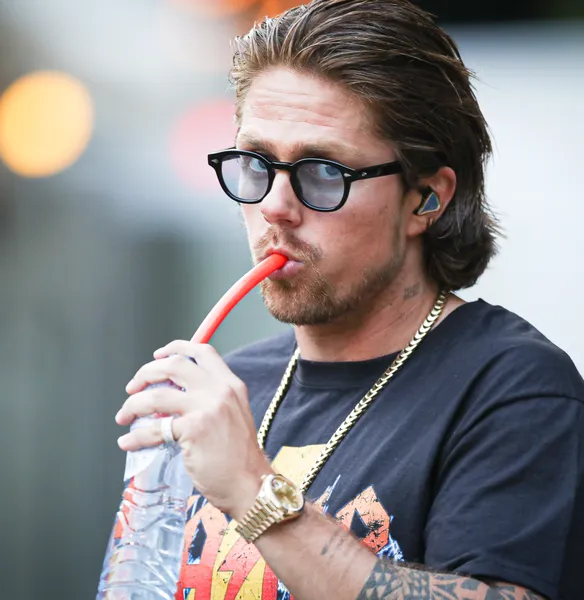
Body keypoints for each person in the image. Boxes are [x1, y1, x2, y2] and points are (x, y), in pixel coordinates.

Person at [115, 1, 584, 599]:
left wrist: (254, 490)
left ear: (426, 198)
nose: (274, 207)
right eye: (255, 163)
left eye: (323, 172)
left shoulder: (513, 388)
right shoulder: (231, 391)